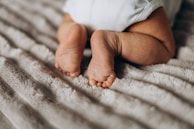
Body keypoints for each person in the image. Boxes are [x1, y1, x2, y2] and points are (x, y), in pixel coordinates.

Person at [55, 0, 182, 88]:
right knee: (164, 47)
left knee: (69, 20)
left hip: (84, 5)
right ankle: (113, 42)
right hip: (129, 4)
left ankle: (73, 29)